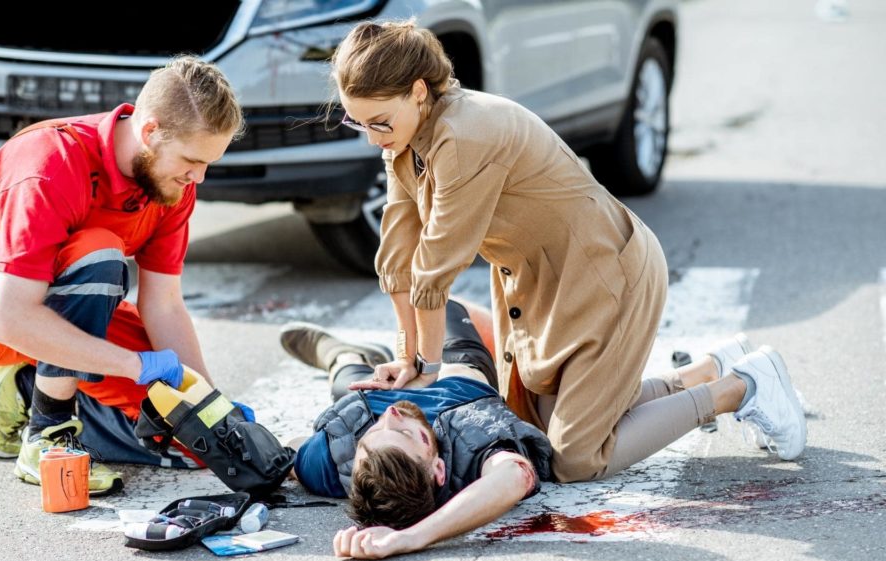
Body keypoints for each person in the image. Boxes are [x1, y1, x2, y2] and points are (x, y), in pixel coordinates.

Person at [328, 20, 807, 486]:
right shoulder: (404, 137)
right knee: (536, 427)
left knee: (576, 458)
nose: (372, 137)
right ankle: (707, 370)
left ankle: (740, 387)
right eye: (358, 122)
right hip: (536, 282)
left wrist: (426, 374)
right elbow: (398, 255)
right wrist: (405, 356)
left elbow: (434, 268)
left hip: (602, 273)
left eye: (379, 122)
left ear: (417, 91)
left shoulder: (463, 134)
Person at [0, 56, 245, 495]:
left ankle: (22, 387)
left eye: (209, 163)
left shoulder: (173, 184)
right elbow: (10, 318)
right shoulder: (52, 164)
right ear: (150, 132)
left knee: (198, 440)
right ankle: (48, 433)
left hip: (67, 303)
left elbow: (163, 304)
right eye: (192, 160)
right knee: (97, 250)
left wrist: (208, 403)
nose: (199, 177)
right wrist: (133, 365)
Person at [280, 299, 552, 560]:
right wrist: (411, 538)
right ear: (439, 469)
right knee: (440, 301)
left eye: (370, 436)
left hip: (373, 391)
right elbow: (516, 475)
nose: (391, 414)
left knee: (346, 384)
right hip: (454, 370)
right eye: (406, 433)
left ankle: (344, 357)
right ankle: (344, 354)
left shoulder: (328, 464)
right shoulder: (471, 453)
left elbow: (289, 450)